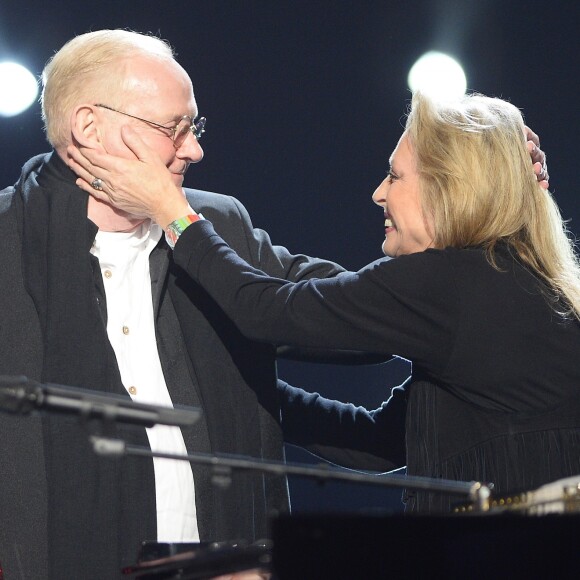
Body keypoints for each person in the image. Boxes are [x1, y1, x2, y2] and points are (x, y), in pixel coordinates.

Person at [69, 90, 579, 516]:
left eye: (396, 177)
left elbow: (267, 311)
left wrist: (171, 210)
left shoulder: (452, 284)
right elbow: (380, 442)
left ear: (452, 188)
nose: (379, 194)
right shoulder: (517, 280)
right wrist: (236, 388)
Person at [0, 29, 360, 580]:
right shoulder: (8, 241)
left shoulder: (220, 229)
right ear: (89, 127)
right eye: (175, 128)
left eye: (195, 126)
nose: (194, 148)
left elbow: (352, 317)